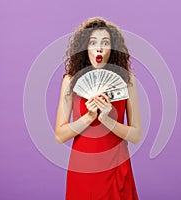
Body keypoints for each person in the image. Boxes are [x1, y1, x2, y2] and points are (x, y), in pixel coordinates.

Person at [55, 16, 141, 200]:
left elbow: (135, 135)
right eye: (93, 42)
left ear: (113, 48)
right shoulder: (70, 80)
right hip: (83, 165)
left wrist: (107, 120)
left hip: (116, 164)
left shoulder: (127, 80)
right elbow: (60, 135)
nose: (99, 48)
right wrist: (89, 117)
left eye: (105, 42)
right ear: (85, 48)